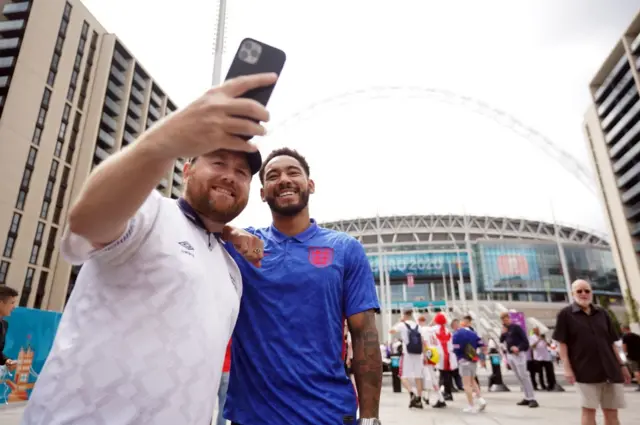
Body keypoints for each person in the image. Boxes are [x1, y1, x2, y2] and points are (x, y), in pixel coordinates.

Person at [20, 73, 277, 425]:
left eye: (242, 172)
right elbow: (87, 222)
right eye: (218, 162)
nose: (231, 176)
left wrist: (226, 234)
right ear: (187, 169)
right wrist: (163, 142)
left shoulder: (231, 269)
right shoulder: (149, 211)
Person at [223, 148, 382, 425]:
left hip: (327, 413)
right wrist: (229, 231)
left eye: (293, 172)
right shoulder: (242, 248)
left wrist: (370, 418)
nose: (284, 179)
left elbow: (364, 334)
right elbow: (193, 220)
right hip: (251, 417)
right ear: (262, 193)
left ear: (310, 185)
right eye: (273, 176)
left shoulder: (345, 249)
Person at [553, 280, 630, 425]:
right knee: (589, 410)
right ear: (573, 293)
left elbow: (612, 343)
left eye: (587, 291)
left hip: (610, 370)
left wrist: (622, 366)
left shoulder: (603, 313)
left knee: (612, 411)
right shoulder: (565, 314)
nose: (583, 294)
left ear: (591, 293)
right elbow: (562, 344)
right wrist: (567, 368)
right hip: (584, 371)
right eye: (579, 291)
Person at [500, 312, 539, 408]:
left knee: (524, 375)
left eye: (506, 319)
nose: (505, 321)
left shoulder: (516, 328)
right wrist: (503, 333)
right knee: (518, 376)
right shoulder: (506, 329)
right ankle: (527, 396)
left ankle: (532, 398)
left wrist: (519, 348)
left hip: (519, 354)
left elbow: (525, 341)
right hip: (510, 355)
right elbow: (501, 340)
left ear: (510, 319)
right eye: (503, 320)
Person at [390, 309, 425, 409]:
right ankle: (419, 399)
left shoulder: (402, 324)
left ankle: (412, 392)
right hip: (418, 354)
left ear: (404, 315)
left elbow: (391, 331)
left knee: (402, 376)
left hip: (407, 353)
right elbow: (422, 341)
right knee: (418, 376)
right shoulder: (417, 326)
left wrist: (400, 322)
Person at [452, 316, 487, 413]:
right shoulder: (473, 333)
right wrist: (482, 357)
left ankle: (471, 406)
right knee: (473, 381)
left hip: (463, 362)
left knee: (466, 385)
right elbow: (482, 345)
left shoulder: (456, 335)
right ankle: (481, 400)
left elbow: (455, 349)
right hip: (473, 360)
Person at [417, 316, 447, 409]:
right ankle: (427, 397)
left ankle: (440, 399)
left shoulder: (423, 330)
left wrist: (425, 356)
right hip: (435, 354)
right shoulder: (433, 330)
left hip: (428, 355)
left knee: (430, 377)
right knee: (429, 376)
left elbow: (424, 343)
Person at [432, 313, 457, 401]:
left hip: (439, 355)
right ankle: (448, 392)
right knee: (446, 374)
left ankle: (443, 393)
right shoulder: (447, 330)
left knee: (441, 375)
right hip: (448, 355)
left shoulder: (433, 330)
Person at [0, 286, 18, 376]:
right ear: (1, 303)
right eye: (12, 303)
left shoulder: (4, 324)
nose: (14, 307)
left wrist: (6, 360)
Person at [217, 340, 232, 425]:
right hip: (226, 371)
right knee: (222, 406)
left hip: (215, 372)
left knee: (208, 407)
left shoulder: (219, 335)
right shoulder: (231, 336)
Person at [621, 325, 640, 391]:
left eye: (622, 329)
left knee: (636, 371)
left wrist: (625, 354)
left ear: (624, 329)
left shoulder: (625, 337)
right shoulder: (637, 336)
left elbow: (624, 347)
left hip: (631, 356)